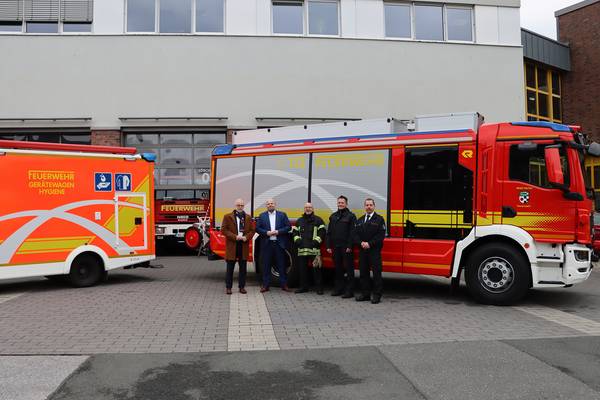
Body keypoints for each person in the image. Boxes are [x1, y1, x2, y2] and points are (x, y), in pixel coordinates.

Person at [354, 198, 386, 304]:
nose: (368, 207)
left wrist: (369, 244)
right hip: (363, 251)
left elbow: (380, 236)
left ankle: (377, 295)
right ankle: (365, 294)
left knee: (377, 274)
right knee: (363, 273)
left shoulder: (379, 219)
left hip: (374, 251)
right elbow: (355, 235)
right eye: (367, 205)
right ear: (364, 207)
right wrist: (361, 243)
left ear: (374, 206)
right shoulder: (360, 220)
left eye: (370, 205)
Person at [256, 198, 291, 292]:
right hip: (267, 245)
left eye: (272, 203)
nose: (270, 205)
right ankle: (265, 285)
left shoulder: (282, 215)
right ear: (266, 206)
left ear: (275, 204)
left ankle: (284, 285)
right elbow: (258, 229)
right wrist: (266, 232)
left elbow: (288, 227)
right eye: (268, 204)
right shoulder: (262, 216)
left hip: (279, 244)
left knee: (281, 265)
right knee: (266, 265)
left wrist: (278, 232)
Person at [221, 198, 255, 295]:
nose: (240, 207)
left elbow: (252, 231)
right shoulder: (227, 216)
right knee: (230, 268)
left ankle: (242, 287)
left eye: (242, 205)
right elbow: (223, 230)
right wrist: (235, 237)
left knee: (243, 269)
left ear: (244, 206)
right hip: (232, 245)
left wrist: (246, 237)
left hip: (243, 245)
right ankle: (228, 287)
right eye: (238, 205)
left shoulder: (248, 217)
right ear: (235, 206)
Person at [291, 203, 326, 295]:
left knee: (317, 270)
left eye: (309, 207)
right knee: (302, 270)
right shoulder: (299, 221)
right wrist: (298, 241)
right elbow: (294, 233)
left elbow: (322, 233)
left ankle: (319, 288)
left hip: (314, 249)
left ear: (313, 209)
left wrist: (315, 242)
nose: (308, 209)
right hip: (302, 249)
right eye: (306, 207)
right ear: (304, 209)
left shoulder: (318, 220)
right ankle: (303, 287)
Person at [326, 195, 357, 298]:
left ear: (346, 204)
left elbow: (353, 233)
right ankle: (338, 289)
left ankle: (349, 291)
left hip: (346, 247)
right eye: (339, 202)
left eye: (342, 202)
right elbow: (329, 232)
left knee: (349, 269)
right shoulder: (333, 216)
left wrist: (349, 246)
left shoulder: (351, 216)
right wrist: (328, 245)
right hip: (335, 246)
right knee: (338, 269)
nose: (340, 204)